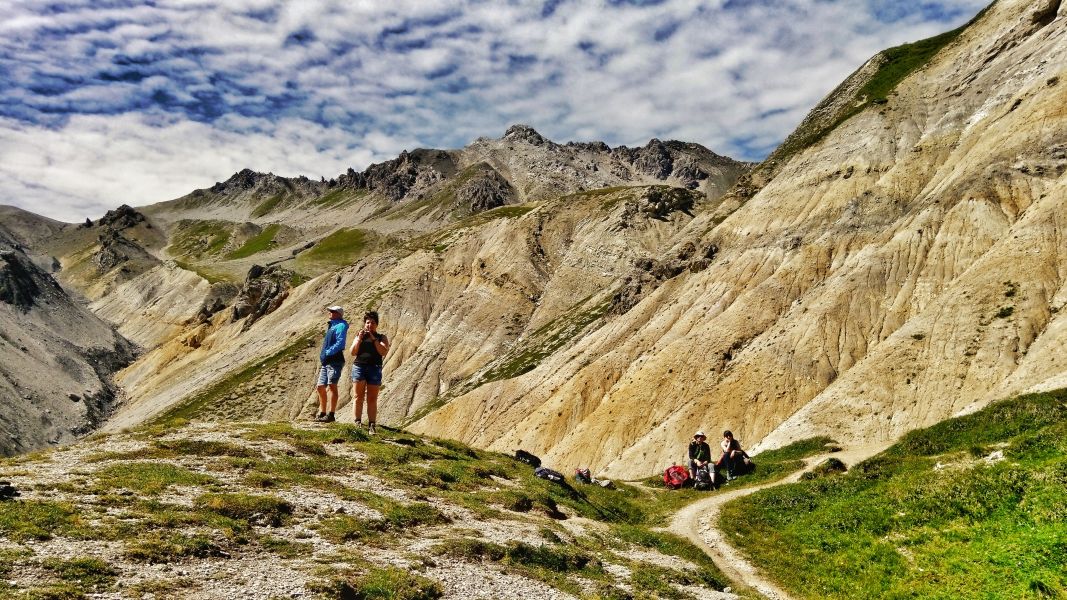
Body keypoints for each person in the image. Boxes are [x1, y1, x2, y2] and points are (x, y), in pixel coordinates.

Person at [350, 310, 389, 434]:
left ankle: (372, 425)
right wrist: (359, 339)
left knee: (372, 398)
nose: (369, 325)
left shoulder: (381, 337)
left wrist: (374, 340)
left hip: (374, 368)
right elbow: (353, 352)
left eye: (372, 323)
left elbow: (383, 351)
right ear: (364, 324)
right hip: (359, 367)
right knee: (358, 397)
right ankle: (357, 422)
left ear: (376, 325)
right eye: (367, 323)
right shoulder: (359, 336)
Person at [316, 305, 349, 423]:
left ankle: (331, 414)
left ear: (338, 314)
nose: (330, 312)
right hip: (327, 361)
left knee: (332, 385)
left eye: (332, 311)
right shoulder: (333, 325)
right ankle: (323, 412)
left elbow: (341, 342)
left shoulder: (340, 325)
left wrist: (328, 352)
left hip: (334, 360)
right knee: (320, 387)